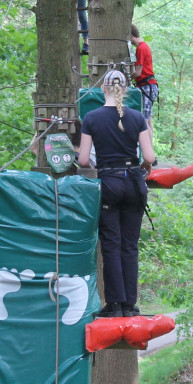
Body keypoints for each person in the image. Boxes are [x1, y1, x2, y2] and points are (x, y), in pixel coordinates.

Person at [78, 69, 156, 318]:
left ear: (103, 89)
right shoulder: (136, 117)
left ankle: (115, 304)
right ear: (125, 90)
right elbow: (150, 157)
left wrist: (95, 167)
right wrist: (142, 169)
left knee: (111, 244)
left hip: (109, 182)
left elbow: (82, 160)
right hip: (133, 183)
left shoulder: (92, 118)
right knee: (130, 246)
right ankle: (130, 304)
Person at [130, 24, 159, 122]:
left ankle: (143, 138)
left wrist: (127, 78)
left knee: (143, 120)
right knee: (148, 119)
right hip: (149, 86)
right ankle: (149, 138)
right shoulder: (144, 46)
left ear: (131, 36)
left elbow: (138, 73)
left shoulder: (141, 48)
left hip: (146, 87)